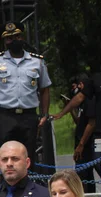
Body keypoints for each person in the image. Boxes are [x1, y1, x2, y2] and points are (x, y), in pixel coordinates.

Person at [0, 22, 51, 168]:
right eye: (9, 39)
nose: (13, 41)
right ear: (5, 41)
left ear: (21, 37)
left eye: (15, 37)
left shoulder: (37, 61)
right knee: (4, 155)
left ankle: (26, 188)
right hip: (5, 115)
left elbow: (45, 88)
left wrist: (44, 114)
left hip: (28, 116)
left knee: (27, 155)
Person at [67, 73, 97, 193]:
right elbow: (79, 121)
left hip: (85, 143)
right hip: (80, 141)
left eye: (76, 86)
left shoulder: (89, 100)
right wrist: (70, 109)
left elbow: (91, 123)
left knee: (84, 174)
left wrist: (81, 144)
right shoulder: (81, 104)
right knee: (84, 174)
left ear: (81, 85)